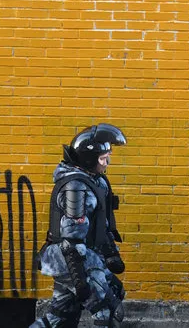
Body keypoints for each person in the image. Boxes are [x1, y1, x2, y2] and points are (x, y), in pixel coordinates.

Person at [30, 123, 127, 328]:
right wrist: (79, 279)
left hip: (85, 256)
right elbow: (71, 240)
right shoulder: (75, 186)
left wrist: (110, 254)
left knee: (60, 316)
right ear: (89, 158)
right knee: (107, 311)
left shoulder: (95, 181)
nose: (107, 162)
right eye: (102, 158)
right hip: (70, 258)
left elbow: (102, 224)